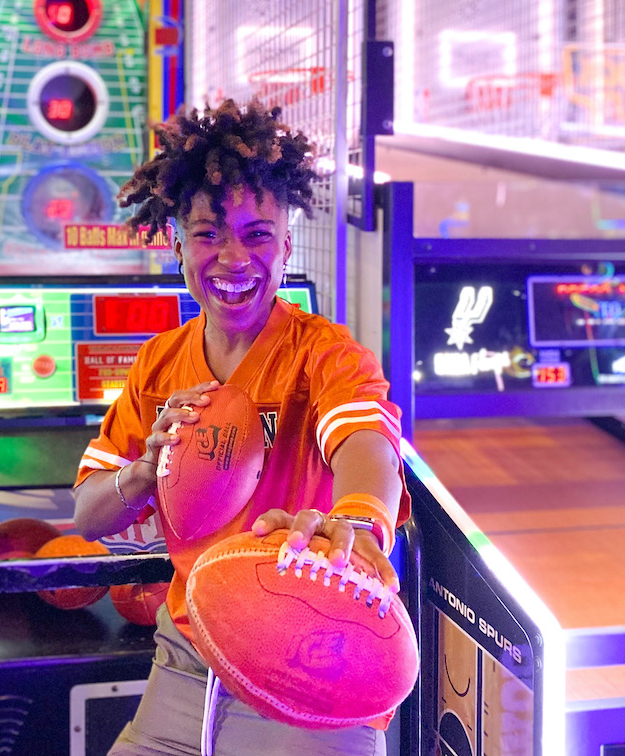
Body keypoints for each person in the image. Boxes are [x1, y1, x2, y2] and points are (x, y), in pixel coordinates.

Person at [73, 99, 411, 756]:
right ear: (177, 243)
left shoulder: (325, 354)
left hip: (308, 664)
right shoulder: (159, 361)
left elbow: (366, 444)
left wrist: (361, 525)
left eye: (257, 235)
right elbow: (87, 514)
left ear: (286, 246)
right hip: (185, 665)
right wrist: (145, 472)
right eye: (208, 234)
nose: (232, 258)